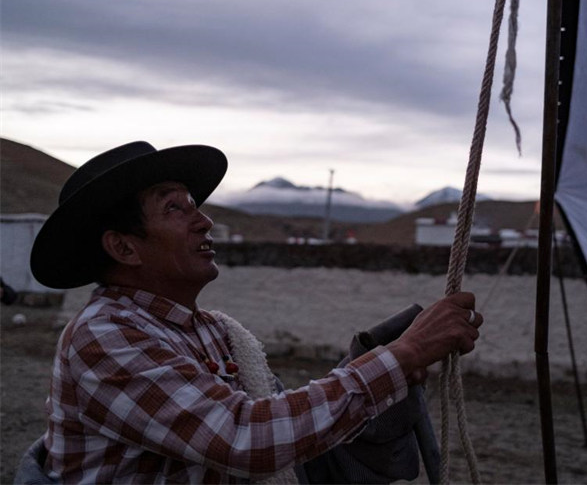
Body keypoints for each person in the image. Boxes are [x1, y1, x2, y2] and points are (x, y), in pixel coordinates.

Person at [21, 141, 483, 484]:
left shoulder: (217, 333)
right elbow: (244, 439)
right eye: (175, 208)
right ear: (123, 247)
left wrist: (393, 370)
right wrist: (403, 356)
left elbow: (283, 422)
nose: (204, 220)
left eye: (195, 205)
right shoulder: (103, 336)